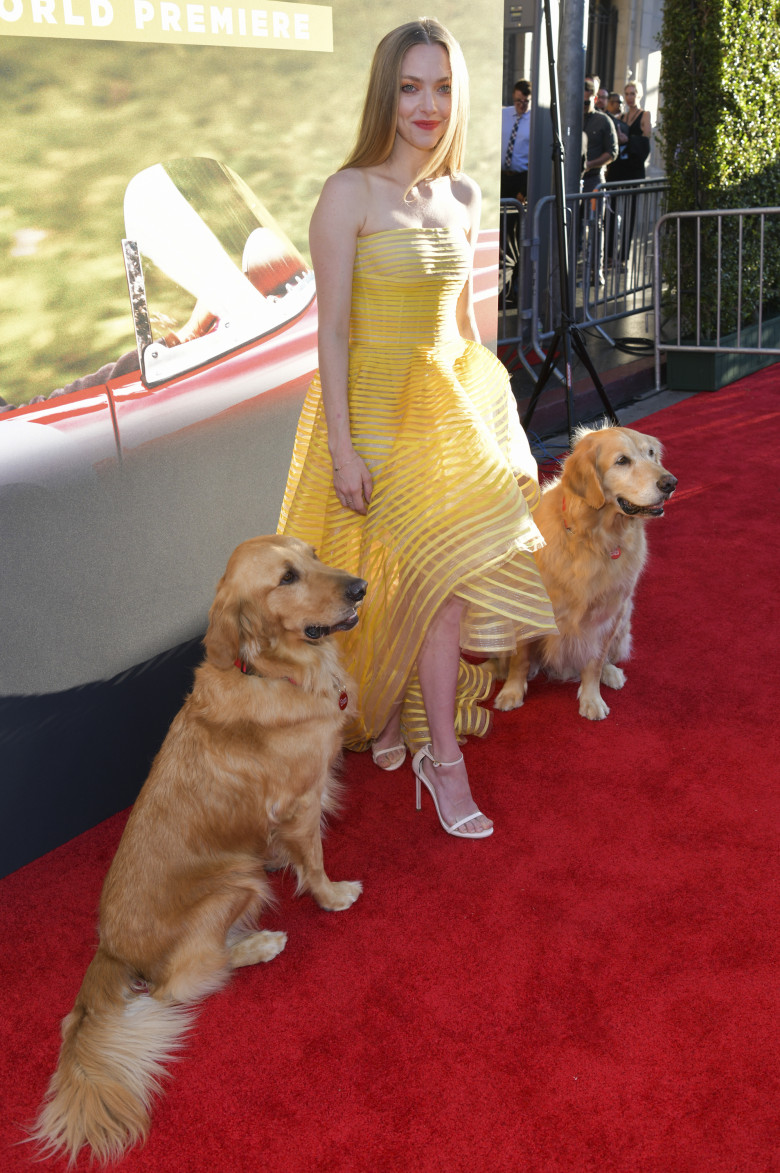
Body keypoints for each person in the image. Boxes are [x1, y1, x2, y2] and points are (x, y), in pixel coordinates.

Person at [277, 19, 556, 840]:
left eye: (441, 87)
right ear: (385, 94)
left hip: (438, 417)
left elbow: (464, 327)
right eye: (409, 87)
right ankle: (427, 748)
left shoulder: (465, 195)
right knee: (393, 581)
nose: (426, 105)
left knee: (440, 590)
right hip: (367, 413)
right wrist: (342, 447)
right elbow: (329, 332)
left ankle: (428, 749)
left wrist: (499, 430)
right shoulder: (349, 192)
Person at [581, 78, 618, 286]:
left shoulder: (603, 121)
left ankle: (597, 270)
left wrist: (590, 164)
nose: (584, 105)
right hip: (572, 181)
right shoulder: (571, 117)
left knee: (596, 226)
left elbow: (612, 152)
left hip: (594, 180)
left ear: (595, 98)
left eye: (587, 101)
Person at [501, 79, 531, 200]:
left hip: (521, 178)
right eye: (518, 101)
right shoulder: (504, 115)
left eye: (526, 101)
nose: (522, 105)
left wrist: (524, 190)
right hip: (501, 177)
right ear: (513, 96)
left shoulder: (535, 120)